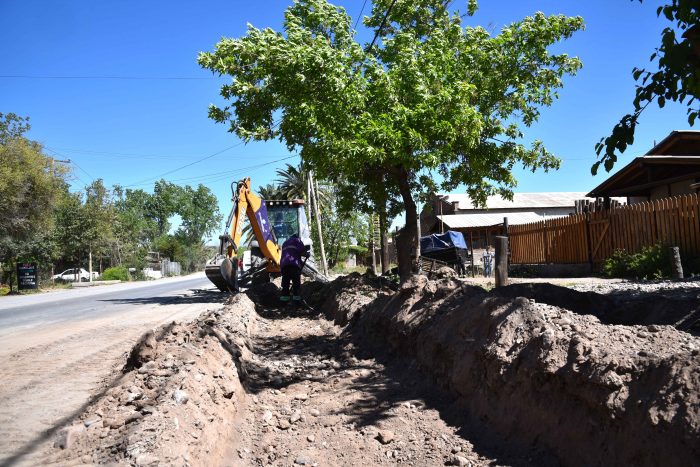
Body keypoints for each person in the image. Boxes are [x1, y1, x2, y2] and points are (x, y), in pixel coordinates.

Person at [280, 233, 309, 304]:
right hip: (294, 265)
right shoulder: (298, 241)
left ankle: (284, 301)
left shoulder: (285, 242)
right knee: (296, 283)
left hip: (284, 265)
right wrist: (307, 254)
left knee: (285, 284)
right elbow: (302, 252)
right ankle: (296, 301)